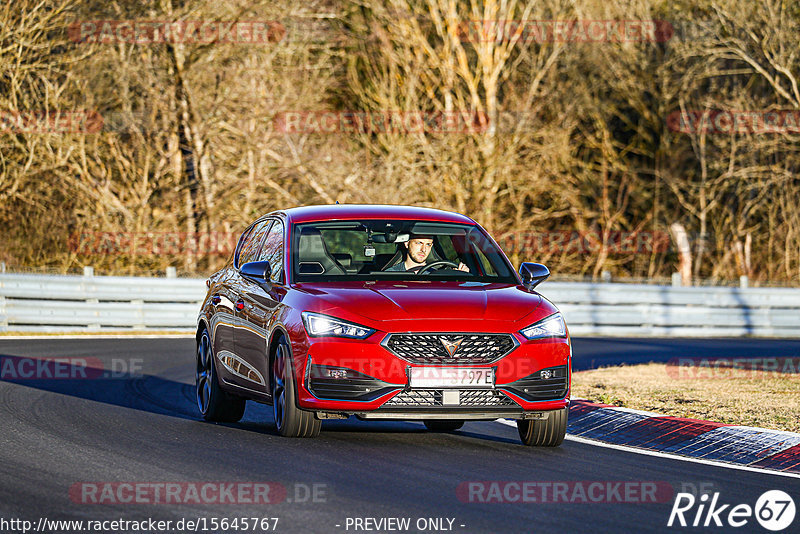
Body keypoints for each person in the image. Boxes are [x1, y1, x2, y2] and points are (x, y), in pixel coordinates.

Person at [385, 235, 469, 272]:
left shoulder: (440, 276)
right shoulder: (390, 275)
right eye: (419, 243)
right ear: (407, 243)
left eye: (428, 244)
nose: (423, 249)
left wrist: (461, 279)